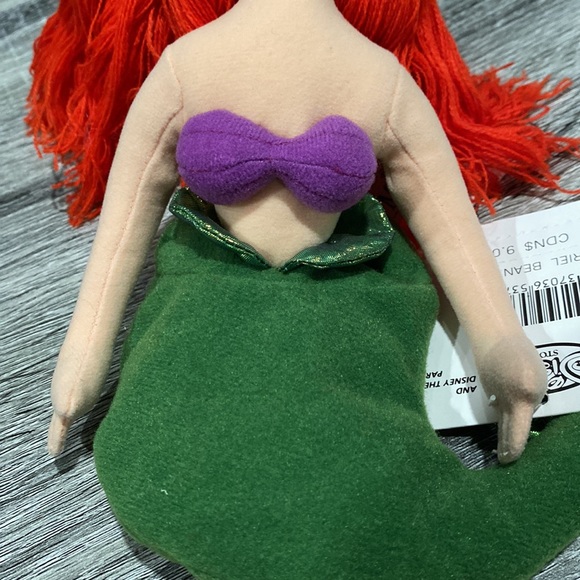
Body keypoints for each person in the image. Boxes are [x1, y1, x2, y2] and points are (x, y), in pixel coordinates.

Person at [28, 0, 579, 578]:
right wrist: (82, 363)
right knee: (166, 462)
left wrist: (500, 343)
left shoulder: (377, 78)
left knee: (365, 501)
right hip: (208, 284)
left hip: (340, 288)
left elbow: (444, 217)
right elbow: (127, 215)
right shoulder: (184, 68)